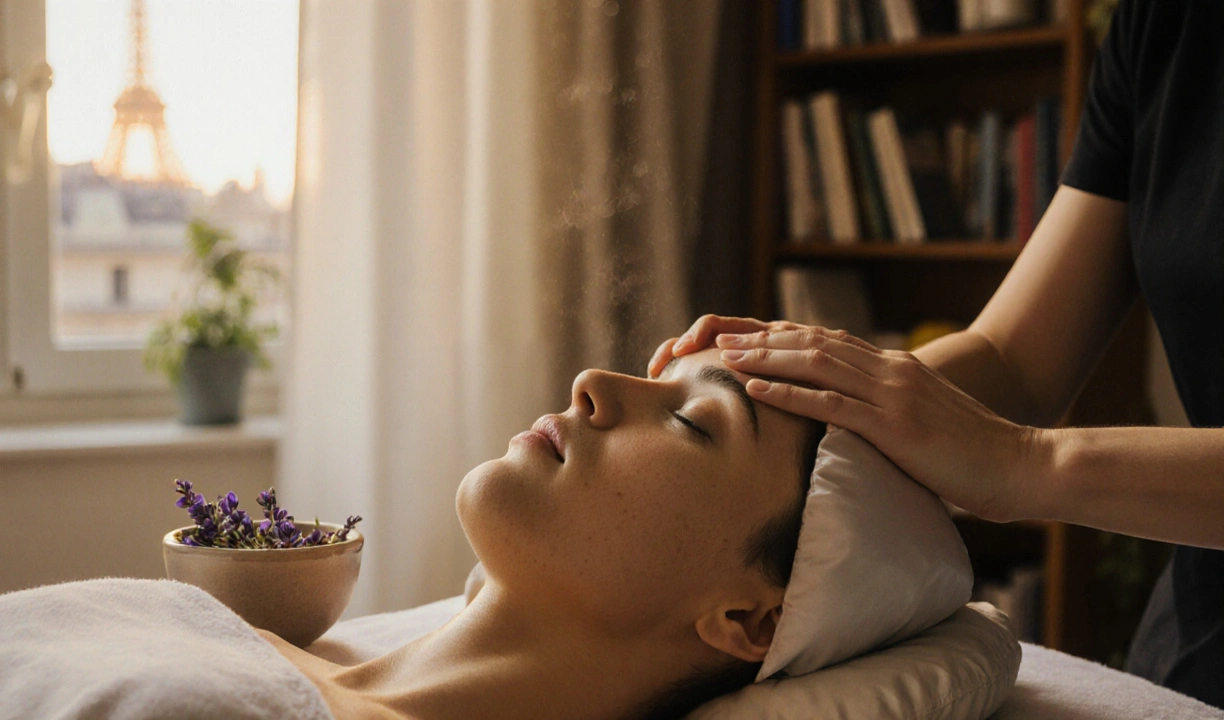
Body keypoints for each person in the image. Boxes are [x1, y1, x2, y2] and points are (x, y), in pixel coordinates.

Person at [649, 0, 1224, 706]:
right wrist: (826, 385)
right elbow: (1011, 358)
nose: (589, 385)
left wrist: (1023, 463)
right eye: (684, 417)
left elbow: (1013, 432)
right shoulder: (1165, 24)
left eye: (692, 423)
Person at [261, 347, 825, 720]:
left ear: (750, 620)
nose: (591, 382)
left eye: (692, 421)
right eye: (655, 377)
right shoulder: (226, 636)